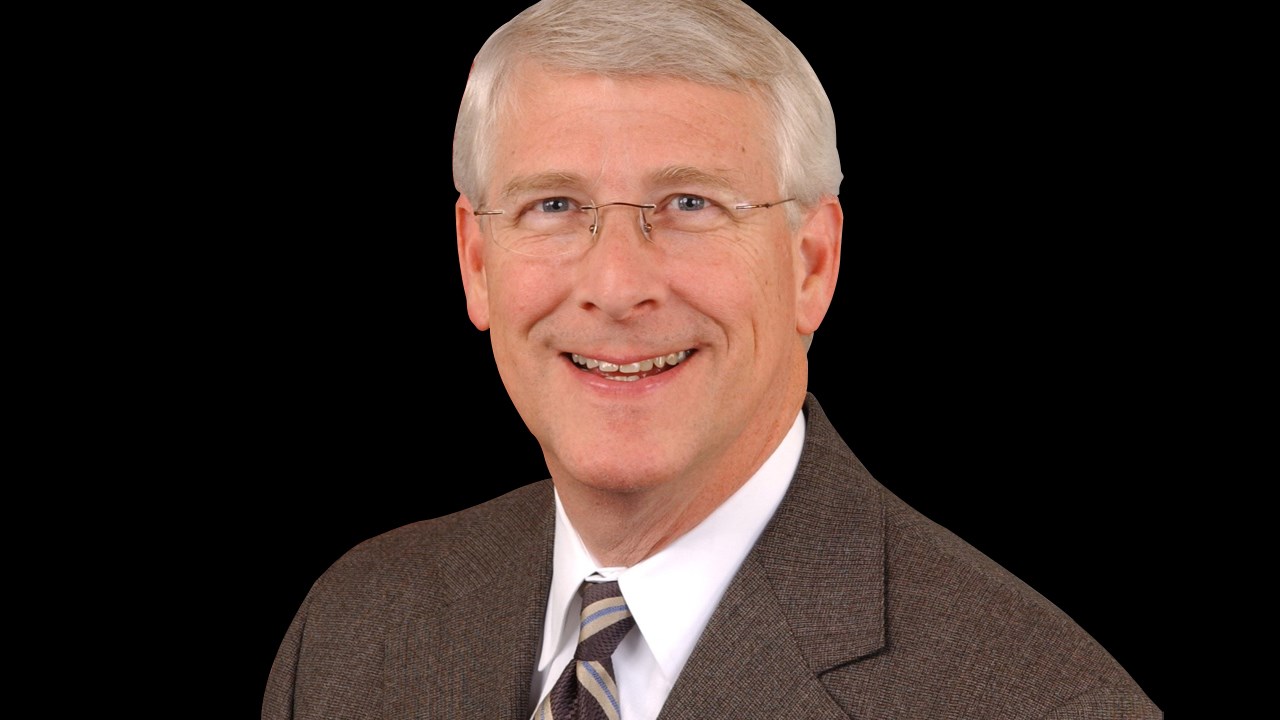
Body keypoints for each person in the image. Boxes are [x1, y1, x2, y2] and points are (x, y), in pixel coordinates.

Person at [262, 1, 1162, 717]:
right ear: (475, 261)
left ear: (811, 263)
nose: (617, 286)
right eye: (554, 206)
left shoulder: (1041, 699)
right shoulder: (352, 632)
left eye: (690, 203)